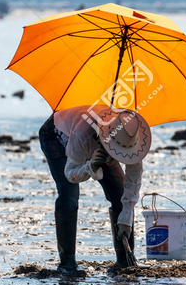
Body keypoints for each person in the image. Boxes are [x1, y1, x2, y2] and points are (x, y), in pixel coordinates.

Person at [39, 105, 152, 276]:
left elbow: (133, 180)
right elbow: (71, 174)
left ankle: (125, 260)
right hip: (57, 135)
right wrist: (90, 166)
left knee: (119, 193)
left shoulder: (131, 136)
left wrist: (126, 218)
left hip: (103, 143)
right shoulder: (82, 135)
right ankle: (67, 264)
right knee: (69, 196)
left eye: (122, 153)